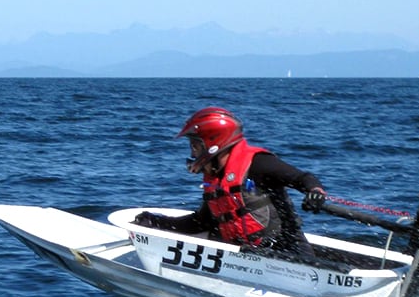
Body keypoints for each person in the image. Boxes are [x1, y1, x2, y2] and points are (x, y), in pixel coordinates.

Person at [134, 106, 327, 259]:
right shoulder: (218, 178)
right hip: (247, 258)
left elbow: (303, 179)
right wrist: (156, 221)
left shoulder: (258, 163)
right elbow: (201, 223)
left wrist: (314, 191)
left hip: (289, 255)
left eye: (195, 146)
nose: (193, 153)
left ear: (213, 143)